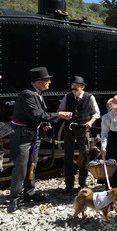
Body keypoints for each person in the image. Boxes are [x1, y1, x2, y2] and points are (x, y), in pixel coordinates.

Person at [8, 67, 72, 212]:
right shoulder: (27, 95)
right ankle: (14, 199)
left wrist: (44, 124)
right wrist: (59, 115)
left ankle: (29, 192)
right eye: (47, 80)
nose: (49, 82)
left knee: (32, 164)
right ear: (38, 82)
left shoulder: (38, 94)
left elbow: (38, 116)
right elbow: (37, 115)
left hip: (33, 134)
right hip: (23, 135)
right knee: (21, 166)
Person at [57, 76, 100, 194]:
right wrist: (64, 115)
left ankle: (82, 183)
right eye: (72, 88)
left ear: (82, 87)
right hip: (68, 129)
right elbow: (60, 111)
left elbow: (97, 113)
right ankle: (69, 184)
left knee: (84, 156)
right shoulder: (67, 96)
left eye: (76, 88)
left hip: (82, 129)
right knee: (68, 156)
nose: (73, 90)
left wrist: (90, 122)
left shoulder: (90, 97)